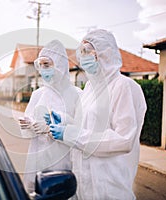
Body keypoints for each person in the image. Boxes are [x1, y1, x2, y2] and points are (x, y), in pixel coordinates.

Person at [48, 29, 147, 199]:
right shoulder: (89, 89)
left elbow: (123, 140)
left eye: (88, 51)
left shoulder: (123, 86)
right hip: (83, 185)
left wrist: (71, 134)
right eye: (82, 52)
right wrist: (66, 124)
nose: (83, 57)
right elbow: (85, 127)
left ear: (106, 53)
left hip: (109, 186)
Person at [19, 39, 81, 193]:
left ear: (59, 64)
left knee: (59, 193)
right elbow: (27, 130)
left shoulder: (76, 95)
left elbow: (82, 131)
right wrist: (29, 125)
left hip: (63, 163)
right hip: (37, 160)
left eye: (47, 65)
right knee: (36, 192)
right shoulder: (38, 94)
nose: (43, 70)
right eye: (41, 66)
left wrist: (53, 129)